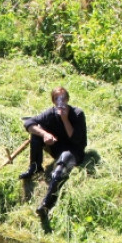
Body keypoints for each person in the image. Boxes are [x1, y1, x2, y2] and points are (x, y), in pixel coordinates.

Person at [19, 87, 87, 218]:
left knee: (58, 172)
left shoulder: (77, 113)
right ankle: (35, 167)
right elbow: (28, 122)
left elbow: (76, 139)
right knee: (36, 134)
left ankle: (46, 205)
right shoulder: (51, 113)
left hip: (74, 150)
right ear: (53, 101)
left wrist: (65, 119)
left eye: (62, 98)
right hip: (57, 147)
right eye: (57, 98)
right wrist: (45, 134)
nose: (60, 101)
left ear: (67, 99)